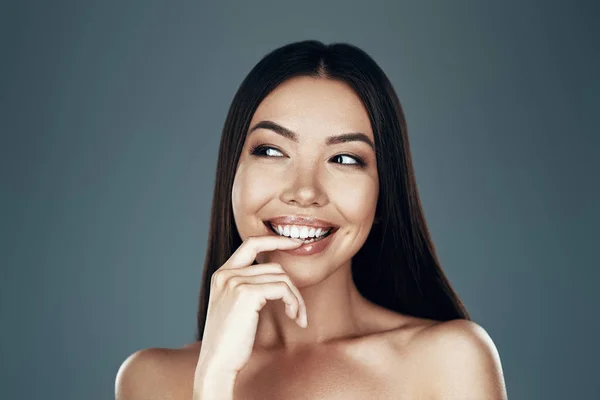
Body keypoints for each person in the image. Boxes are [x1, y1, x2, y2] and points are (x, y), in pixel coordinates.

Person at [115, 40, 507, 400]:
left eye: (345, 159)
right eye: (271, 151)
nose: (305, 191)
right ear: (232, 172)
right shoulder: (152, 379)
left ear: (383, 191)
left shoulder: (449, 361)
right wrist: (214, 380)